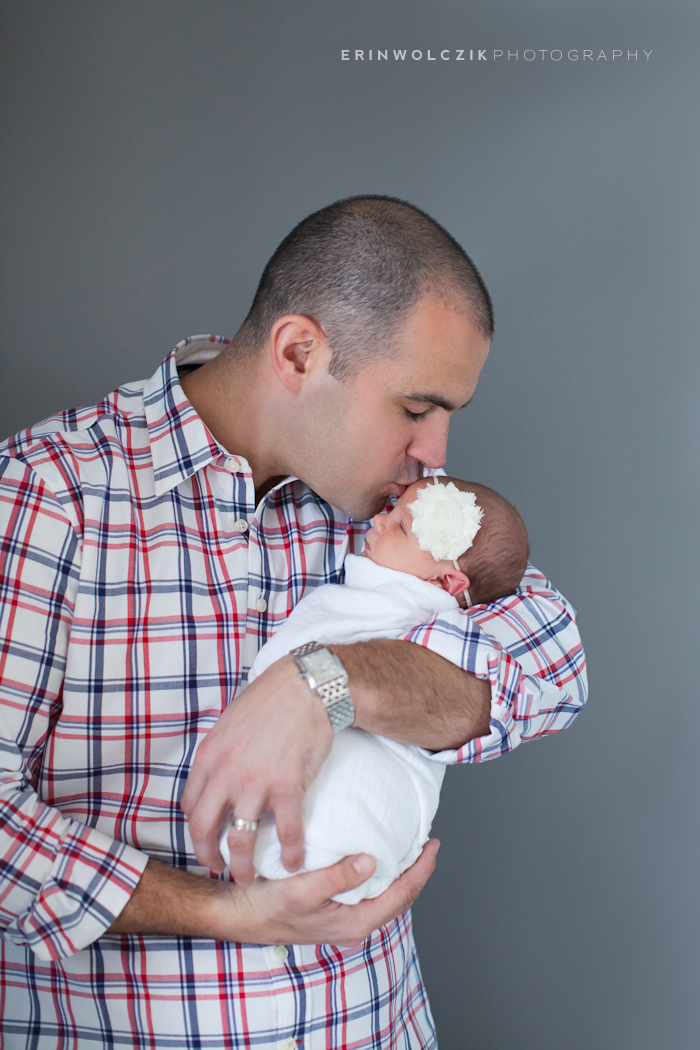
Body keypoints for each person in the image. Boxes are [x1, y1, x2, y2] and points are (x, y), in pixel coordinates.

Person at [0, 196, 587, 1048]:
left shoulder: (398, 515)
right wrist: (231, 912)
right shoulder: (45, 499)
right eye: (417, 407)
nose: (439, 453)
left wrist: (333, 682)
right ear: (300, 352)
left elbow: (553, 670)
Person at [219, 476, 530, 904]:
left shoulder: (443, 625)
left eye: (401, 526)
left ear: (446, 583)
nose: (378, 524)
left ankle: (333, 839)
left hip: (367, 816)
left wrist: (325, 681)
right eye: (392, 512)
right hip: (358, 875)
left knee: (350, 776)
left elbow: (550, 685)